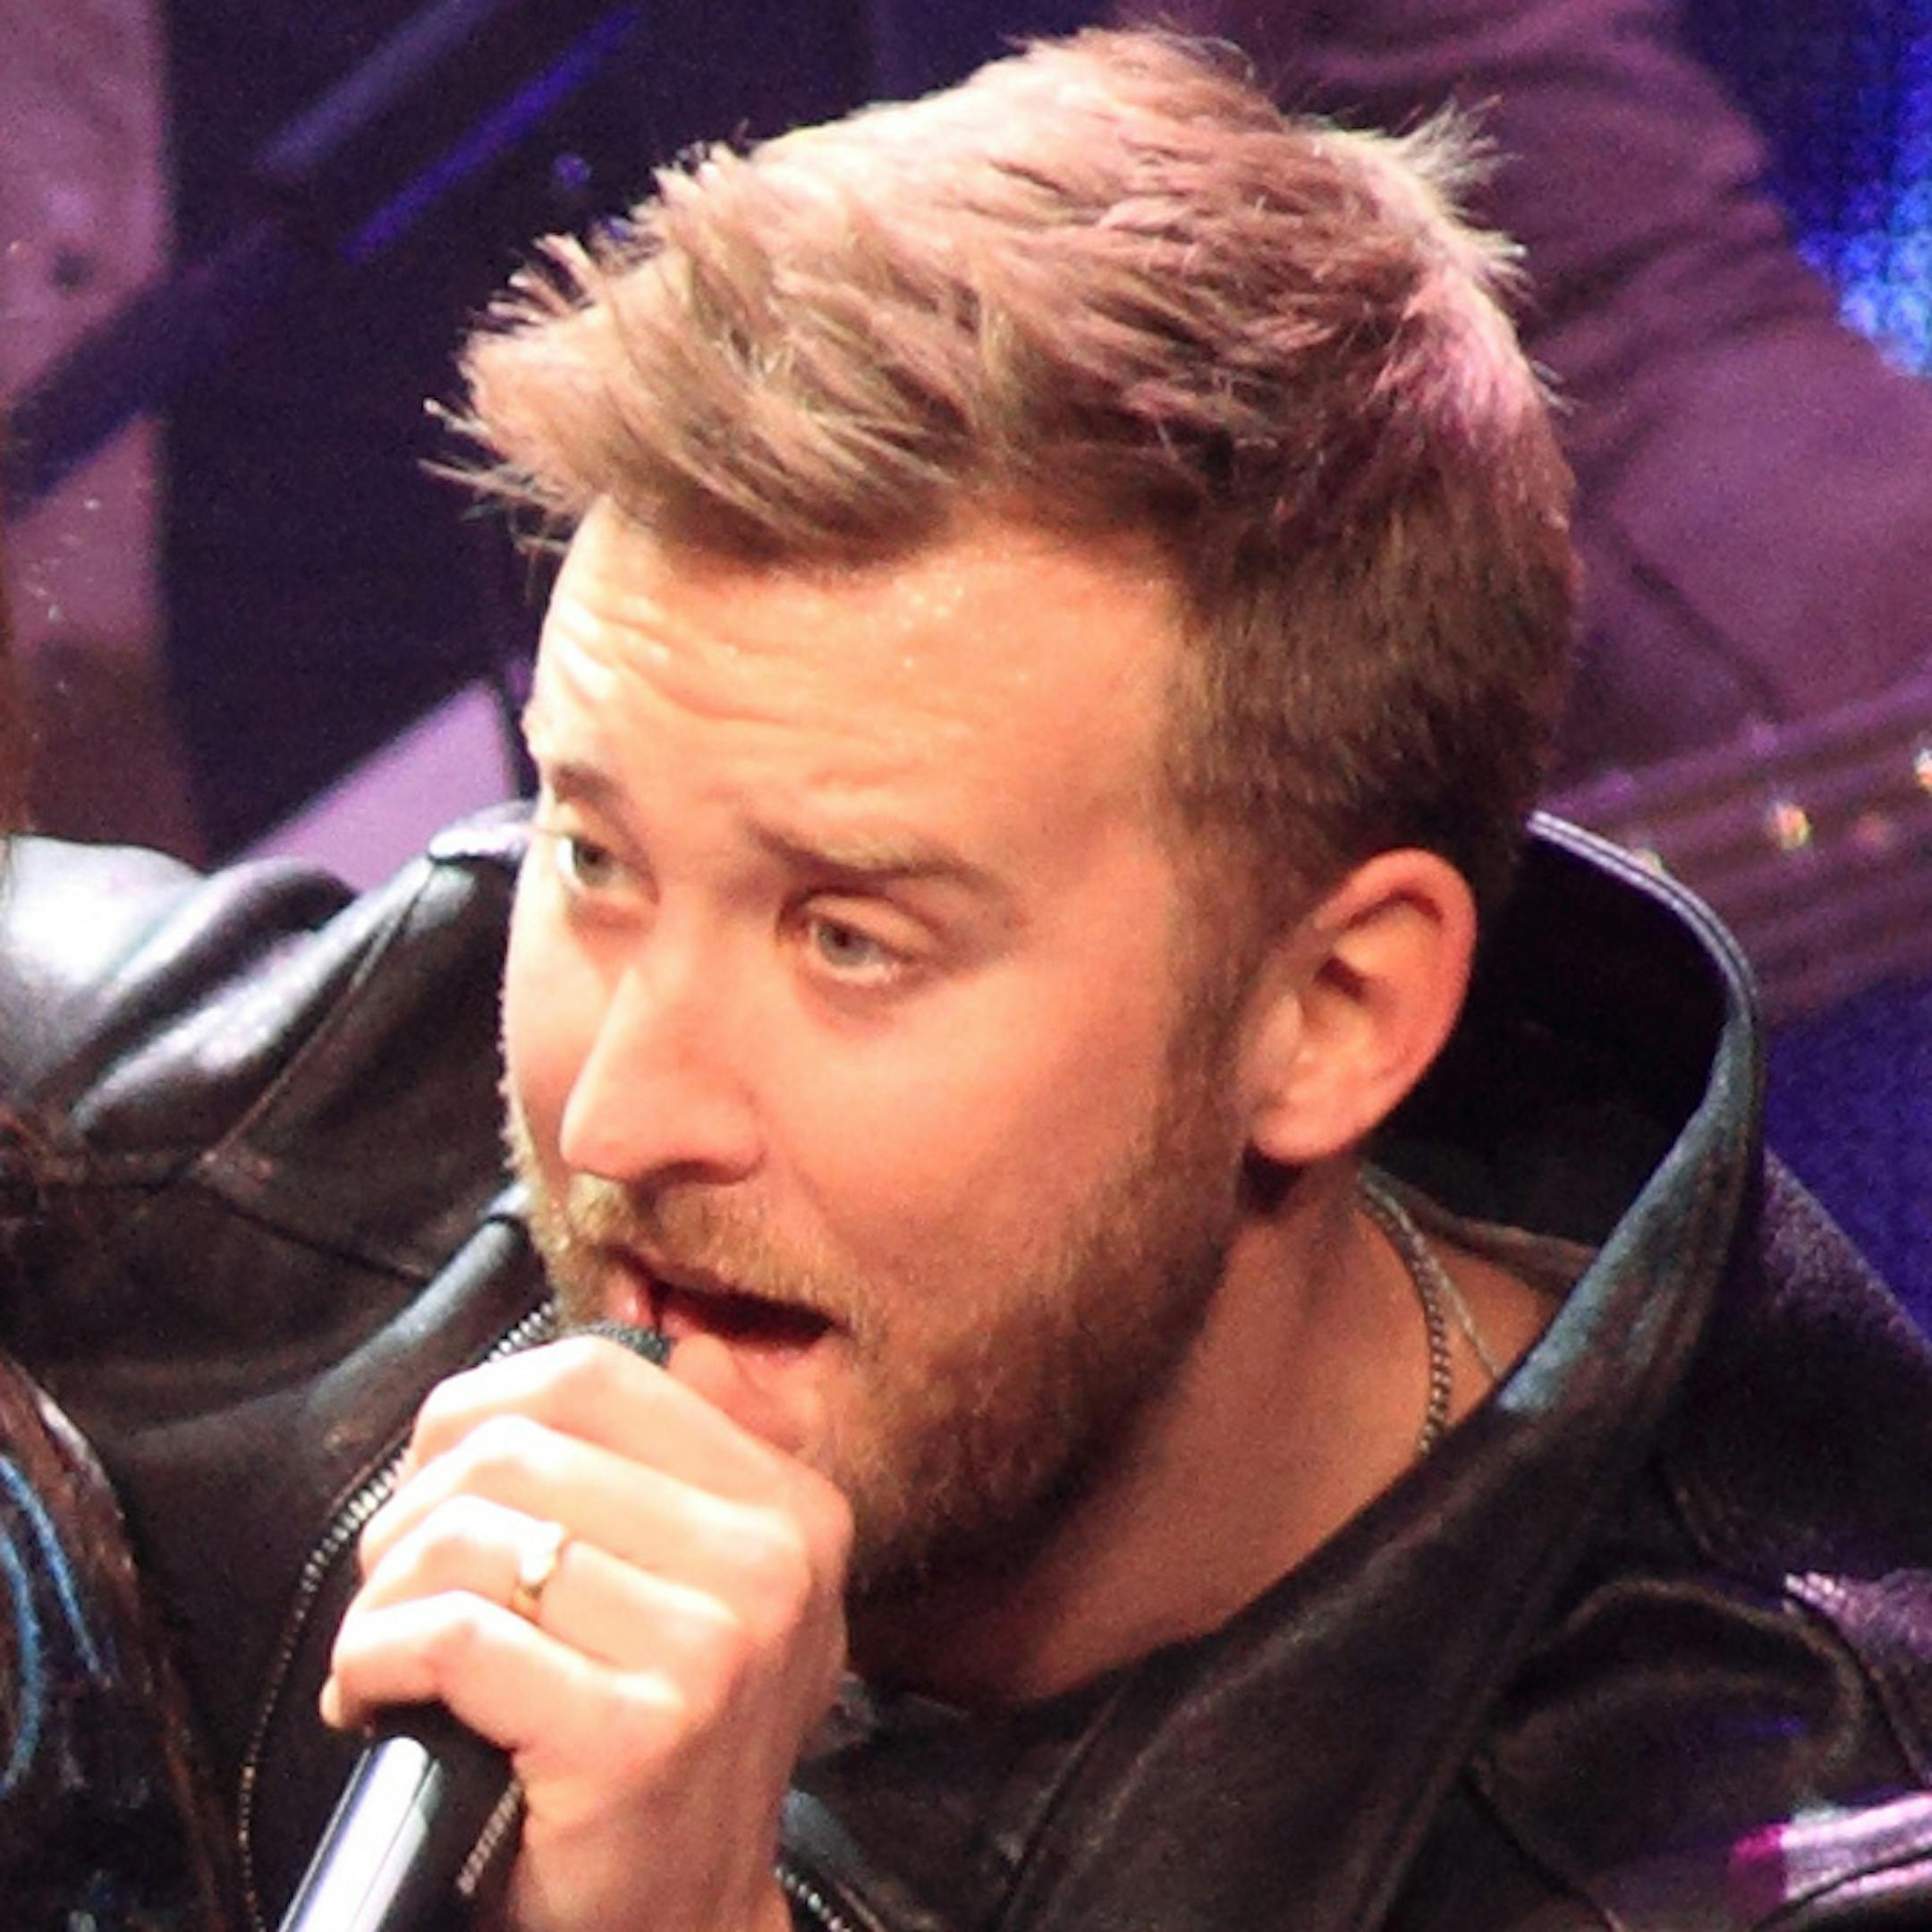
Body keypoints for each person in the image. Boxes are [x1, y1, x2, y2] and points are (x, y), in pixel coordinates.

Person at [4, 25, 1932, 1932]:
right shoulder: (275, 1131)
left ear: (1332, 1013)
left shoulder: (1732, 1838)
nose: (616, 1115)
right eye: (598, 859)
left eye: (850, 939)